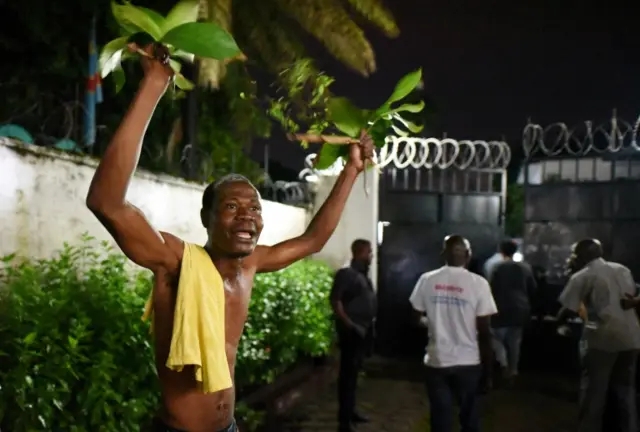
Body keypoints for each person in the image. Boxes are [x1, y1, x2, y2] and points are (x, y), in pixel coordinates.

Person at [85, 44, 374, 432]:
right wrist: (153, 85)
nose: (247, 218)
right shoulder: (175, 262)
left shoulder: (252, 264)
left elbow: (312, 240)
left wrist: (351, 170)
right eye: (233, 207)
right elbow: (106, 201)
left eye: (254, 208)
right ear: (206, 218)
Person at [409, 235, 497, 432]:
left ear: (443, 254)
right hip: (468, 362)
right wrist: (488, 372)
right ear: (469, 255)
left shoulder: (427, 280)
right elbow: (484, 331)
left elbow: (415, 318)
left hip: (436, 361)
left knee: (440, 419)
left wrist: (433, 323)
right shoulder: (479, 284)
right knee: (470, 418)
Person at [557, 239, 640, 432]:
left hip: (601, 340)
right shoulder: (622, 269)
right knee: (625, 393)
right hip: (632, 339)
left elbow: (567, 309)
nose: (572, 258)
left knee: (594, 394)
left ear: (583, 255)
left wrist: (558, 322)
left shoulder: (583, 276)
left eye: (574, 254)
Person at [330, 239, 377, 432]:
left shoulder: (361, 275)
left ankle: (351, 411)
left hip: (362, 331)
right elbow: (336, 301)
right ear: (359, 253)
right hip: (352, 332)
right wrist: (349, 324)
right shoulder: (346, 274)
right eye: (369, 252)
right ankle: (344, 421)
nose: (371, 256)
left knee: (354, 375)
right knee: (348, 377)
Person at [489, 239, 537, 382]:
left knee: (495, 338)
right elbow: (533, 288)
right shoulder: (526, 267)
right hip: (521, 308)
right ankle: (513, 371)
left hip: (501, 308)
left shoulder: (496, 267)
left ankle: (503, 363)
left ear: (501, 251)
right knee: (515, 342)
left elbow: (491, 288)